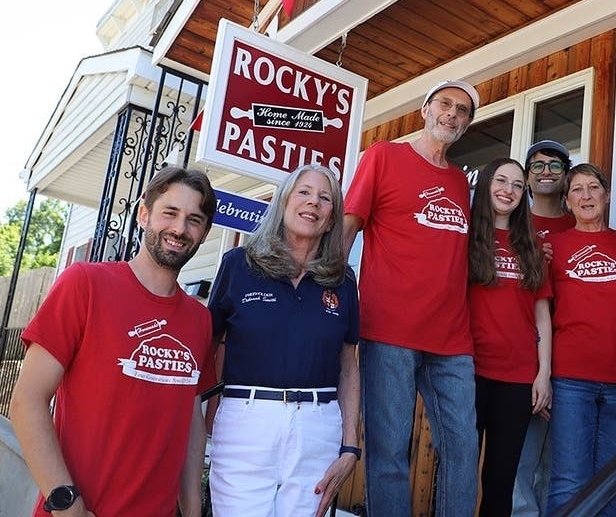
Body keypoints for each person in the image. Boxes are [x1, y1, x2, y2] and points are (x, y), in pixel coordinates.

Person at [9, 166, 217, 517]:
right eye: (170, 213)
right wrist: (66, 504)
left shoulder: (200, 320)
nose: (180, 229)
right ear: (144, 213)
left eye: (194, 219)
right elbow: (26, 400)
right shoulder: (85, 285)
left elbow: (190, 420)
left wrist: (193, 511)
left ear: (204, 232)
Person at [342, 80, 480, 516]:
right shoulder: (383, 156)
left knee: (462, 447)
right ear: (425, 109)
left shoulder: (460, 182)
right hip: (389, 331)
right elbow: (347, 228)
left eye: (462, 111)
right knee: (389, 452)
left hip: (453, 338)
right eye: (445, 104)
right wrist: (329, 293)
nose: (452, 114)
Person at [208, 164, 360, 517]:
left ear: (332, 215)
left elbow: (349, 364)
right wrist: (202, 425)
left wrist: (350, 446)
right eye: (304, 192)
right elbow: (208, 347)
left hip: (317, 427)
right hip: (246, 422)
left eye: (325, 198)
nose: (314, 203)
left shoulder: (342, 280)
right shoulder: (239, 265)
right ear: (284, 201)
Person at [546, 163, 616, 517]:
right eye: (577, 190)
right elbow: (536, 310)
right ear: (567, 202)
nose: (586, 196)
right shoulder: (553, 247)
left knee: (612, 481)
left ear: (607, 194)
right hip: (571, 379)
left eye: (593, 188)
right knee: (569, 480)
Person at [468, 158, 552, 516]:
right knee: (457, 472)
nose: (509, 190)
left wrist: (543, 373)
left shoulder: (531, 245)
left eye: (518, 185)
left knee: (501, 479)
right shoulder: (467, 236)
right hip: (467, 372)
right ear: (486, 185)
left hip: (518, 377)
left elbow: (542, 315)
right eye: (501, 181)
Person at [513, 139, 575, 517]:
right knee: (520, 460)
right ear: (527, 178)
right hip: (520, 355)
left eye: (555, 164)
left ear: (566, 175)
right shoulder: (515, 222)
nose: (547, 171)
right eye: (537, 165)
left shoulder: (581, 220)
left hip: (568, 357)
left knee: (556, 465)